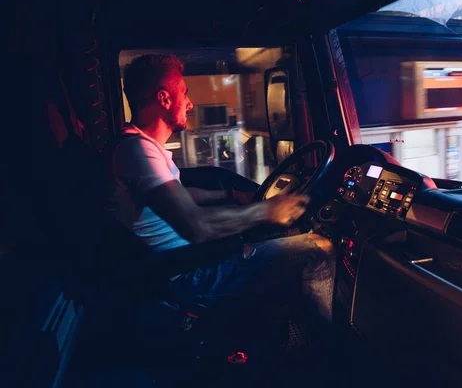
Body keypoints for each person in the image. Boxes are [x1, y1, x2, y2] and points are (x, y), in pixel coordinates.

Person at [104, 54, 335, 322]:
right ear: (164, 99)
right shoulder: (137, 151)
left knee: (271, 239)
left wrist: (231, 195)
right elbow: (197, 226)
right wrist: (266, 211)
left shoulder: (138, 146)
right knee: (318, 249)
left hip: (184, 262)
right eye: (184, 93)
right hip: (188, 277)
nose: (190, 104)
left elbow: (175, 194)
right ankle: (330, 351)